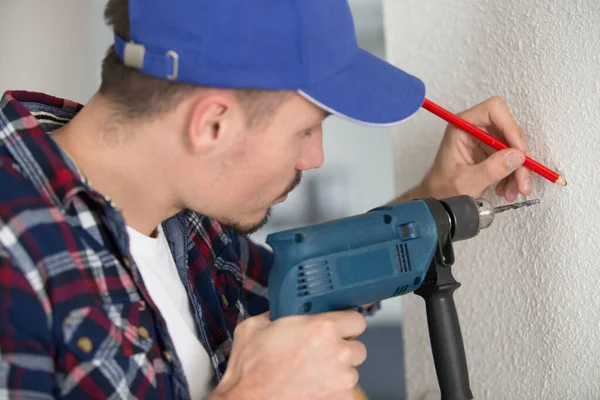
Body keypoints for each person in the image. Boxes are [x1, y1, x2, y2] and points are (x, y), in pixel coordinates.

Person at [0, 0, 533, 399]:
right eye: (306, 131)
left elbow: (305, 280)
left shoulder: (190, 217)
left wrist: (435, 198)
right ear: (212, 123)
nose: (314, 157)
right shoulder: (15, 258)